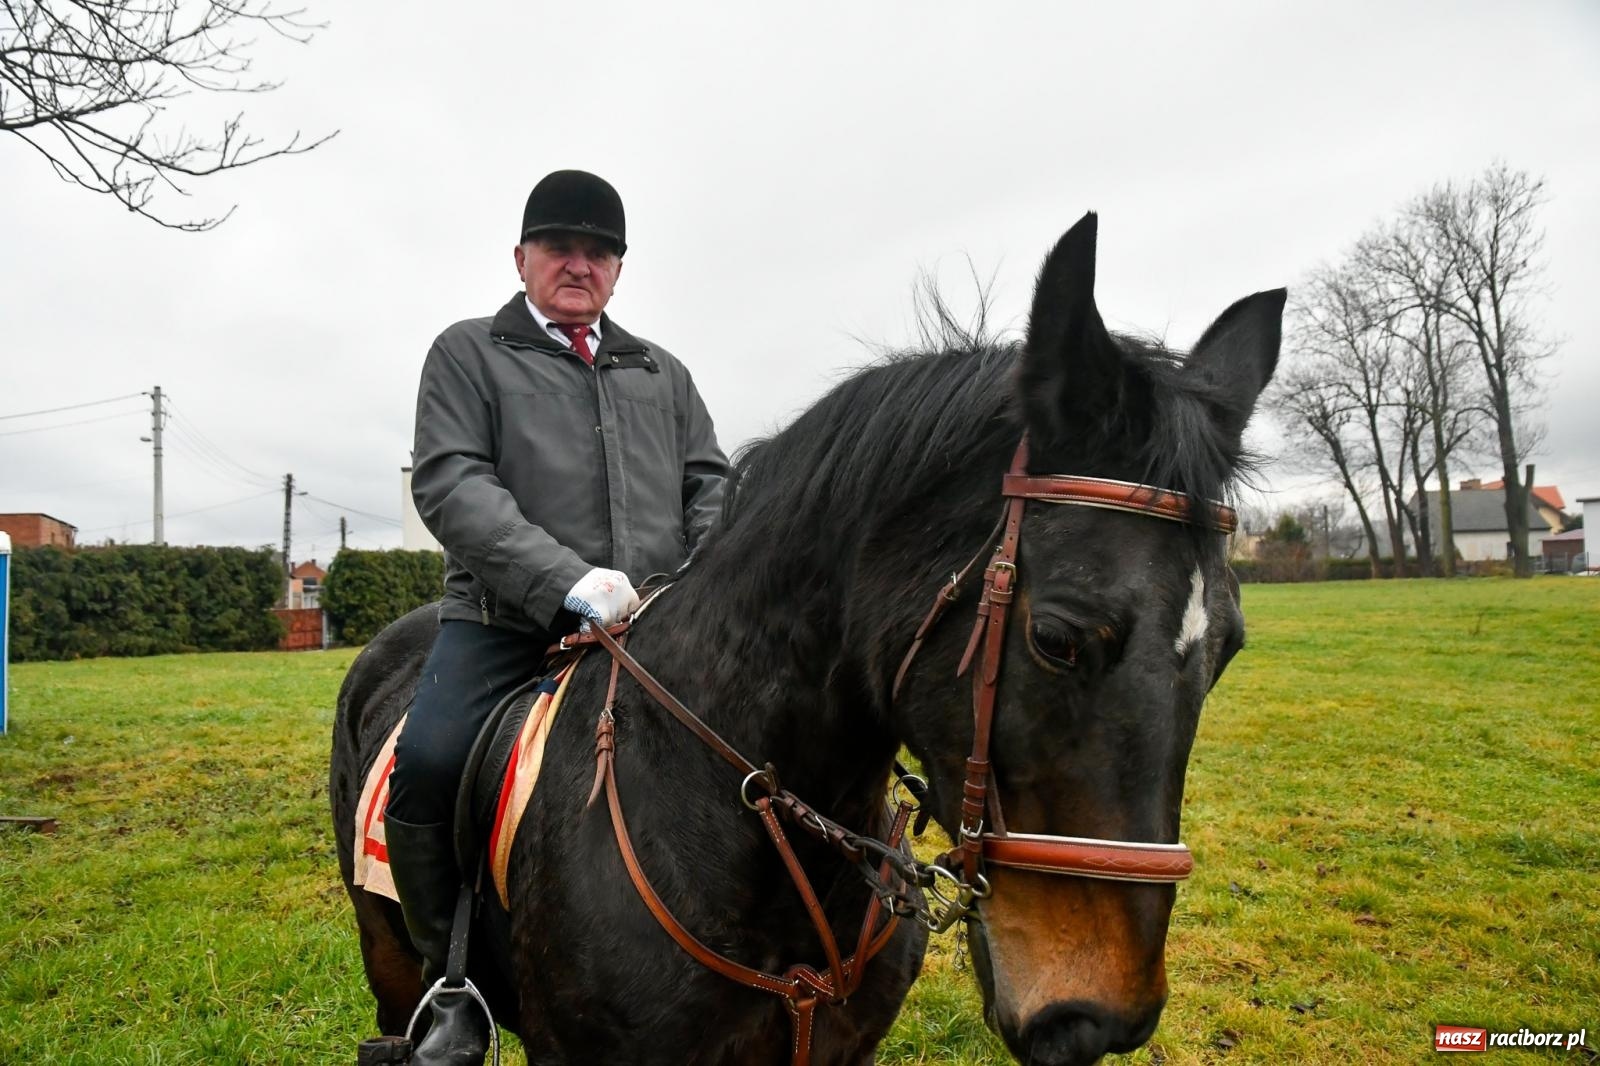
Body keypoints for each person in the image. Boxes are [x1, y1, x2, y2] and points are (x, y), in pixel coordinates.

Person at [384, 169, 728, 1063]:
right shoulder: (467, 354)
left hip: (653, 627)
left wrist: (686, 582)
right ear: (522, 258)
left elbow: (709, 485)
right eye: (560, 247)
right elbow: (452, 482)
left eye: (598, 251)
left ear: (618, 268)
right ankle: (446, 984)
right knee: (426, 763)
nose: (579, 264)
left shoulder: (663, 371)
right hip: (503, 622)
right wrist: (569, 581)